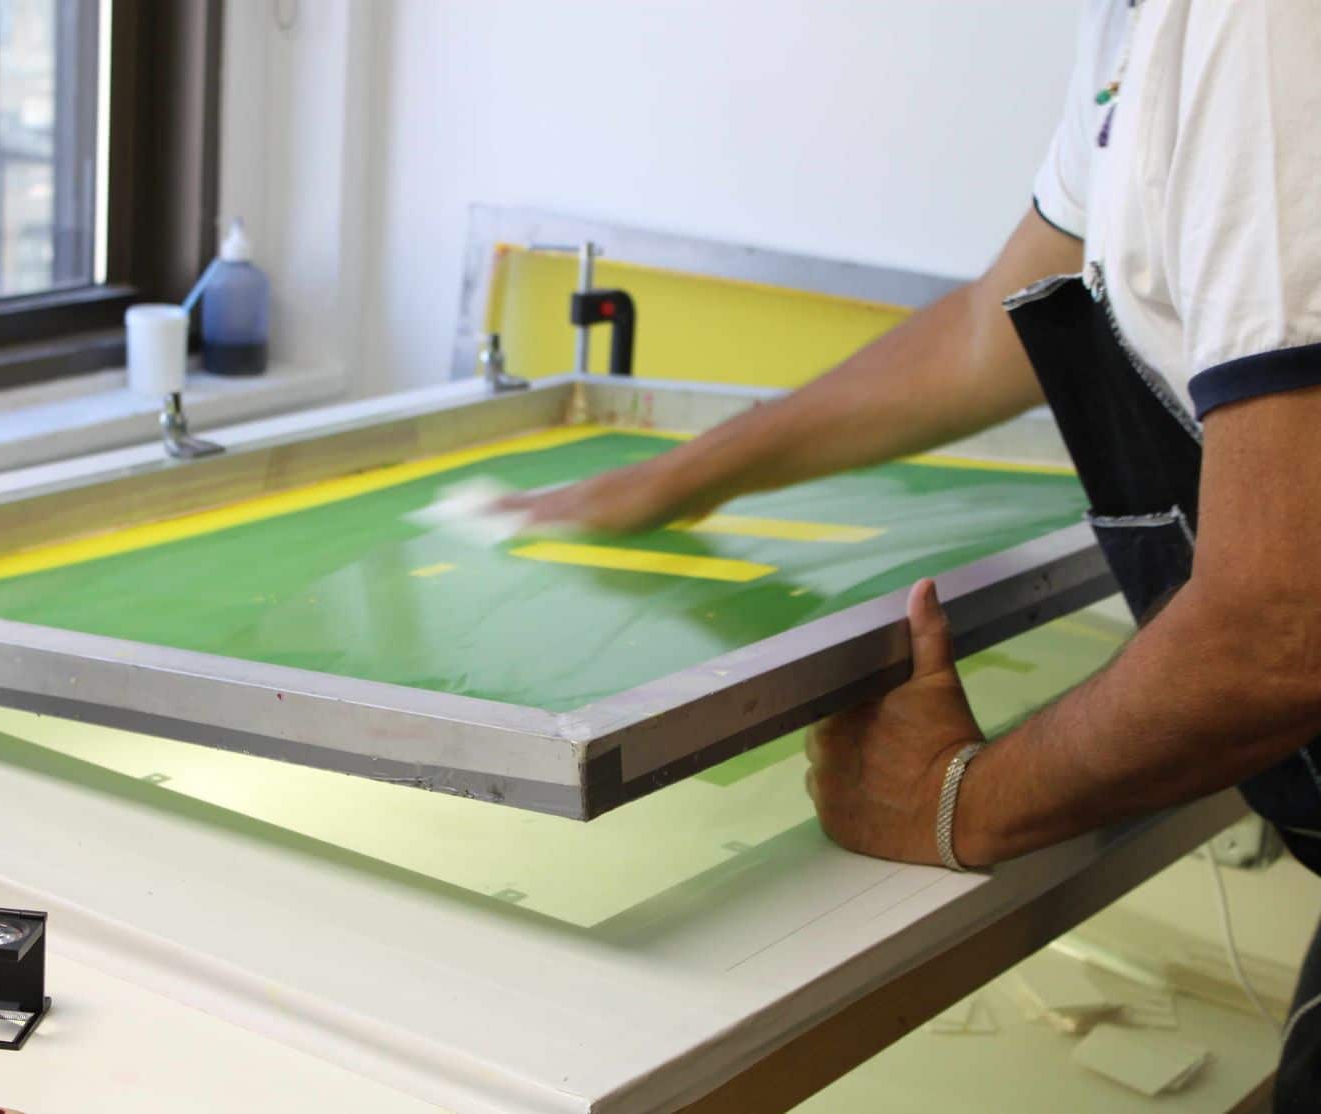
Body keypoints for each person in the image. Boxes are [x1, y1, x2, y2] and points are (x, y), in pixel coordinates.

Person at [505, 2, 1321, 1105]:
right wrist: (693, 471)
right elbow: (991, 325)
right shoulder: (1140, 28)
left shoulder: (1260, 26)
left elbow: (1280, 626)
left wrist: (958, 800)